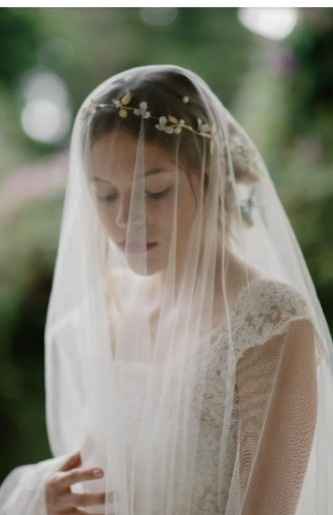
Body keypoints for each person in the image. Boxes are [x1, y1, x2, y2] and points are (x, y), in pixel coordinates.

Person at [1, 64, 332, 515]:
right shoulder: (110, 302)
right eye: (105, 195)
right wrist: (51, 496)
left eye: (154, 192)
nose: (125, 221)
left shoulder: (270, 321)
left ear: (212, 178)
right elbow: (98, 467)